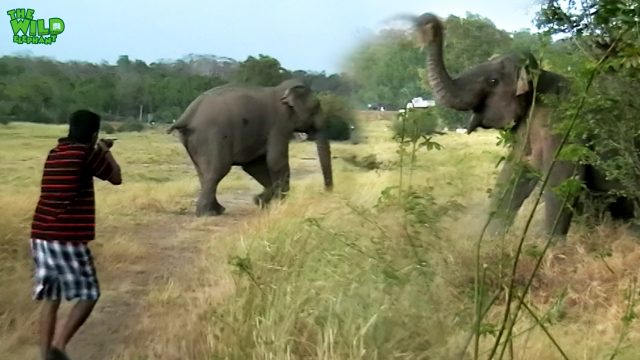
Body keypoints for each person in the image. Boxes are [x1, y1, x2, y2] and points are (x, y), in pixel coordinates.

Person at [29, 109, 122, 360]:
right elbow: (116, 178)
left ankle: (44, 353)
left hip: (40, 235)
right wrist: (105, 150)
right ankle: (58, 348)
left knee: (51, 297)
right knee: (89, 295)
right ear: (93, 134)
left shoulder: (55, 152)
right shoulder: (86, 154)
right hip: (66, 237)